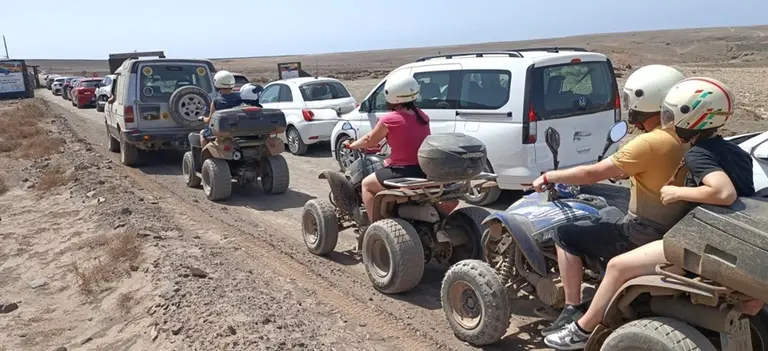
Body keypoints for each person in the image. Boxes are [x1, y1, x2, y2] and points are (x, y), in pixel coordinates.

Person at [543, 77, 757, 350]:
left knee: (614, 264)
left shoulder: (697, 154)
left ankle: (580, 328)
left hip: (697, 239)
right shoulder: (735, 151)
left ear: (687, 116)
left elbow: (724, 193)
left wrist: (677, 193)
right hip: (726, 238)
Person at [531, 65, 689, 337]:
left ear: (643, 99)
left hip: (643, 231)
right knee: (606, 215)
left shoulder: (651, 142)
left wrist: (549, 176)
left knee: (564, 234)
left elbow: (592, 172)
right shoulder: (686, 136)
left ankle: (572, 307)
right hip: (676, 226)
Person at [343, 72, 431, 224]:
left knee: (367, 185)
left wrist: (352, 145)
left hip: (403, 171)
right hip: (422, 170)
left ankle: (374, 226)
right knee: (385, 164)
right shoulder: (422, 116)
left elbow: (370, 140)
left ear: (392, 96)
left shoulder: (390, 119)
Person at [197, 70, 242, 147]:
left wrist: (202, 118)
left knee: (202, 133)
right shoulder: (240, 98)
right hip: (238, 129)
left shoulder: (216, 101)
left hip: (222, 130)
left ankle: (204, 156)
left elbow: (209, 121)